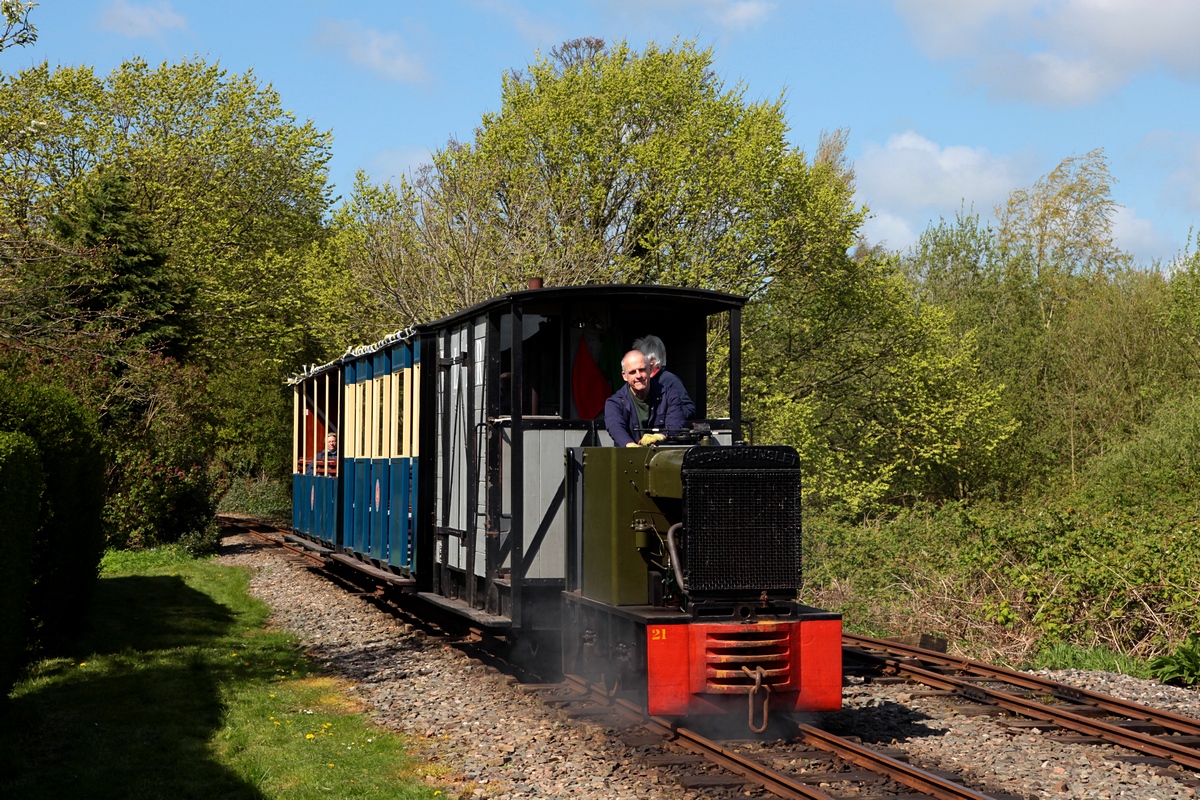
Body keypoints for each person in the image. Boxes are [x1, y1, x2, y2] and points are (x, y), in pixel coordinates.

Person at [603, 350, 684, 447]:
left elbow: (675, 425)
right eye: (633, 372)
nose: (638, 376)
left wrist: (660, 437)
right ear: (624, 376)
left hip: (662, 456)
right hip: (628, 458)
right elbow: (615, 428)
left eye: (642, 370)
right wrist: (631, 446)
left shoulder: (670, 396)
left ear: (650, 370)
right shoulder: (614, 403)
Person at [632, 334, 696, 420]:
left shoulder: (670, 380)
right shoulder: (636, 380)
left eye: (639, 357)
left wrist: (664, 416)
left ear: (652, 360)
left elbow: (689, 409)